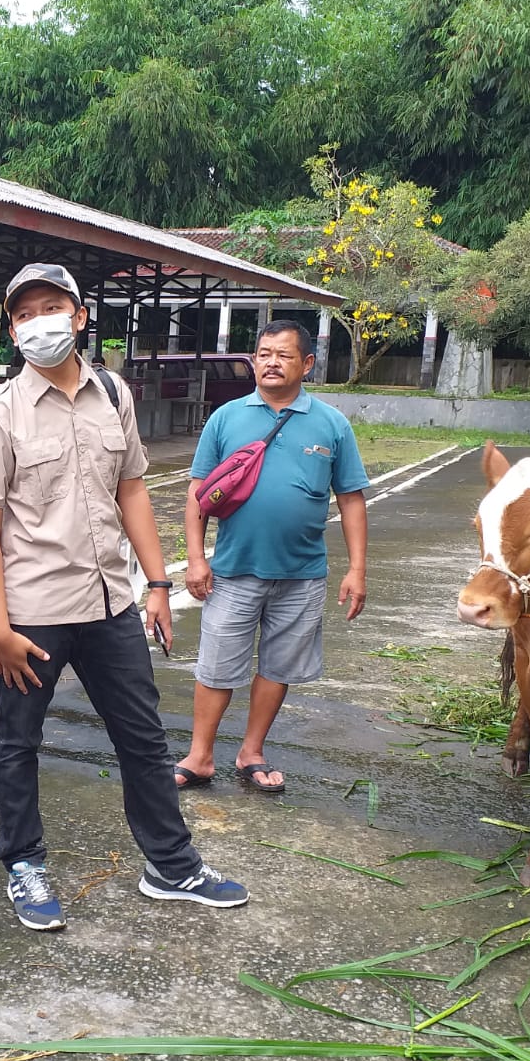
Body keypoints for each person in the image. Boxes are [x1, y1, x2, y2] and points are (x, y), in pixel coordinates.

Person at [0, 262, 250, 933]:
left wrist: (156, 583)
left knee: (144, 738)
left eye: (50, 307)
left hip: (110, 601)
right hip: (32, 612)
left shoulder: (114, 395)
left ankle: (171, 866)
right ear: (12, 329)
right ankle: (25, 865)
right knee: (16, 742)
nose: (39, 322)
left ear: (81, 316)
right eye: (24, 313)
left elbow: (133, 491)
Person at [174, 319, 370, 792]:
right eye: (263, 353)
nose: (271, 362)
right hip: (233, 570)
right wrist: (196, 559)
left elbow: (350, 499)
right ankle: (200, 757)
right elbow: (198, 492)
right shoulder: (227, 417)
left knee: (278, 667)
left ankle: (251, 752)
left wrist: (357, 569)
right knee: (217, 665)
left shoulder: (331, 424)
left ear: (306, 364)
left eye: (283, 355)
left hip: (302, 573)